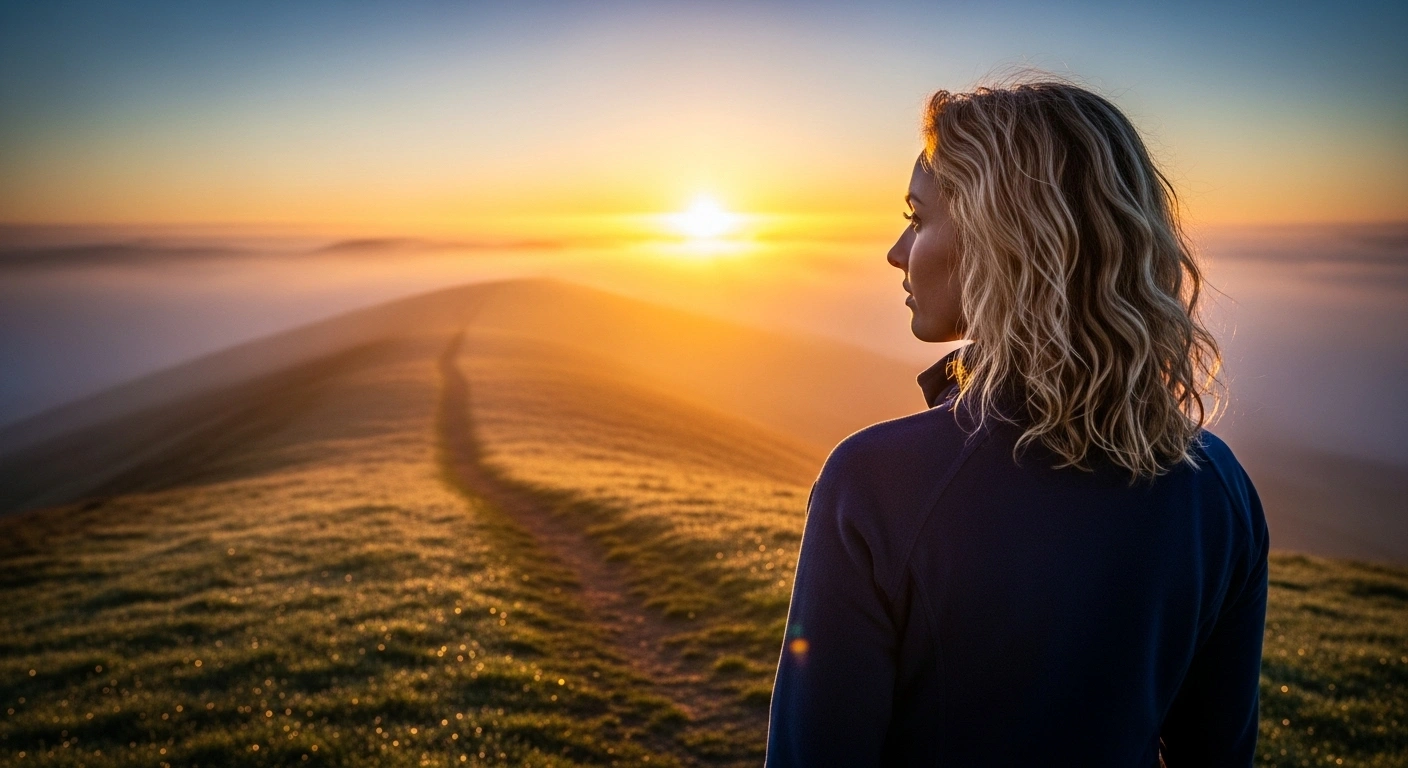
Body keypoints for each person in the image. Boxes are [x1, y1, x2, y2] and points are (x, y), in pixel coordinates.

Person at [765, 78, 1269, 767]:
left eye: (918, 219)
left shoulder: (875, 482)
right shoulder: (1218, 490)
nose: (896, 251)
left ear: (1000, 243)